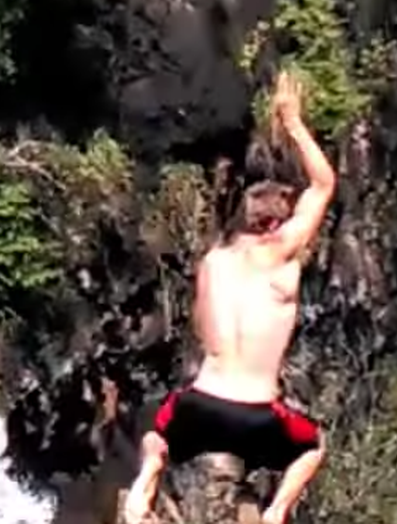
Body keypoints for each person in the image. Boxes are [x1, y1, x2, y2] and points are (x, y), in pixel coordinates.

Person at [122, 69, 337, 524]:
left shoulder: (213, 262)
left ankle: (146, 483)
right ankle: (277, 512)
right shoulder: (279, 255)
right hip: (257, 412)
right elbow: (323, 185)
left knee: (156, 441)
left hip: (199, 403)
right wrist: (293, 123)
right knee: (312, 445)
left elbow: (203, 329)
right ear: (278, 225)